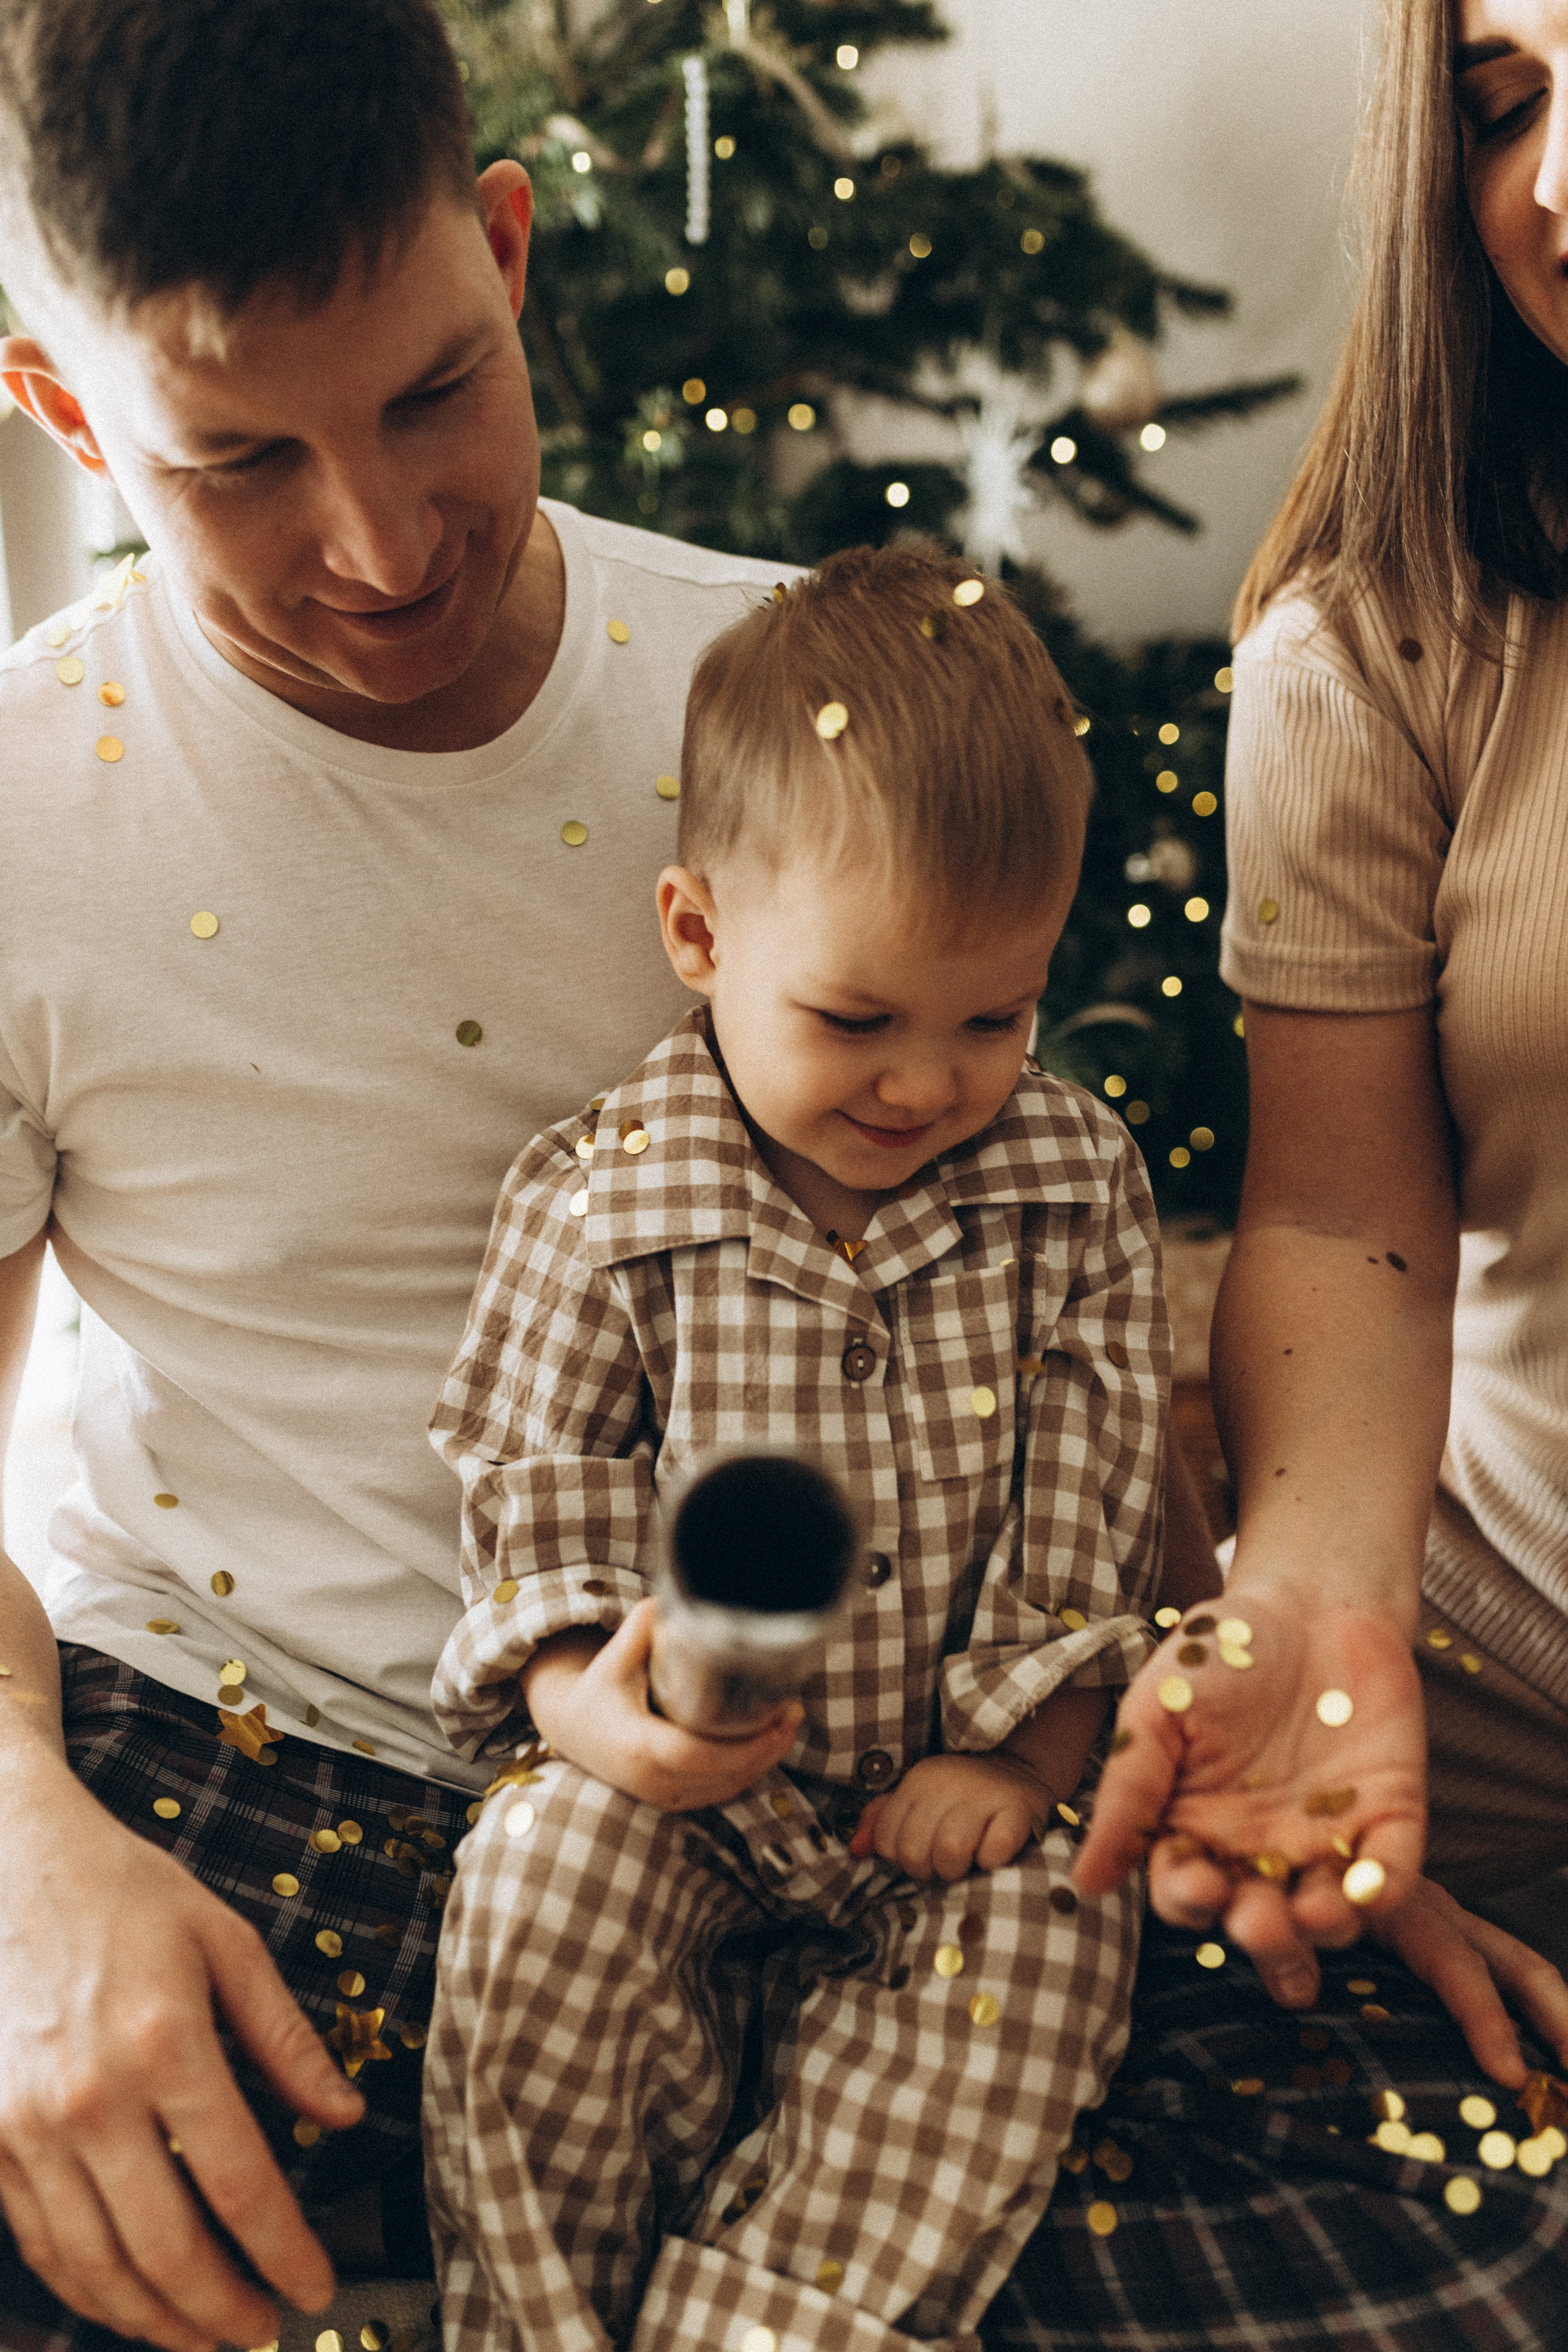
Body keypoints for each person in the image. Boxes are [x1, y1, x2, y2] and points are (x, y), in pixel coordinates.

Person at [0, 1, 1551, 2349]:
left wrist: (1229, 1731)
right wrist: (25, 1878)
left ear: (509, 255)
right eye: (228, 460)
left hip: (893, 1787)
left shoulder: (812, 712)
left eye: (434, 393)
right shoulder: (29, 806)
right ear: (60, 411)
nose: (379, 542)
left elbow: (1066, 1354)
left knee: (1489, 2205)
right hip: (264, 1757)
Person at [990, 0, 1568, 2342]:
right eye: (1506, 99)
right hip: (1490, 1708)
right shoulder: (1377, 638)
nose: (1556, 186)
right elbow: (1342, 1219)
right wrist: (1309, 1609)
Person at [422, 543, 1162, 2352]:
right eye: (856, 1020)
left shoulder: (1073, 1193)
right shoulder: (605, 1201)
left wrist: (1035, 1753)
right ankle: (543, 2321)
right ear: (700, 935)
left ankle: (763, 2329)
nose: (927, 1082)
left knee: (1055, 1947)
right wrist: (599, 1708)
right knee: (531, 1894)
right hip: (684, 1787)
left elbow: (1095, 1513)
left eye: (997, 1017)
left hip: (949, 1800)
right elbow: (543, 1503)